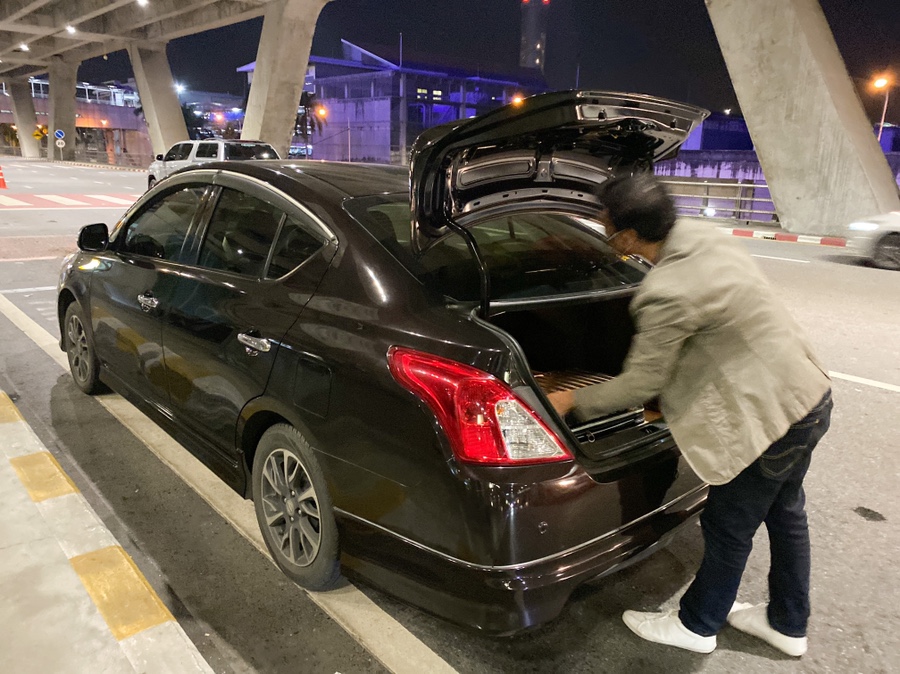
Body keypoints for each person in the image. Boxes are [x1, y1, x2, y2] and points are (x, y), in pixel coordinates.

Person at [548, 173, 832, 657]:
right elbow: (710, 335)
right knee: (786, 514)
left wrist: (571, 402)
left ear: (632, 236)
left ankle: (697, 625)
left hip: (768, 420)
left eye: (607, 229)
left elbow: (641, 383)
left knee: (728, 525)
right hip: (806, 396)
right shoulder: (703, 236)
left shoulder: (665, 290)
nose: (606, 235)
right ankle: (787, 622)